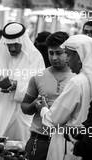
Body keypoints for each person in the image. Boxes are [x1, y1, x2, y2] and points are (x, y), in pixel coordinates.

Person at [0, 22, 45, 144]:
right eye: (9, 45)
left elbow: (39, 86)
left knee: (15, 149)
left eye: (15, 44)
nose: (12, 48)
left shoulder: (35, 57)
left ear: (22, 41)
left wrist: (14, 85)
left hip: (18, 115)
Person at [37, 34, 92, 160]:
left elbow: (53, 119)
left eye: (68, 54)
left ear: (80, 57)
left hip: (66, 145)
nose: (66, 60)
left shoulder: (77, 82)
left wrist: (43, 109)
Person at [21, 32, 74, 160]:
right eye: (51, 53)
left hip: (65, 141)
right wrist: (34, 105)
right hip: (39, 139)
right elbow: (24, 106)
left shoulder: (78, 79)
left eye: (59, 53)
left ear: (68, 52)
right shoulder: (38, 76)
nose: (54, 57)